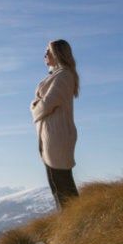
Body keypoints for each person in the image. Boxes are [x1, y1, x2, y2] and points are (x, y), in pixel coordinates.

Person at [30, 39, 80, 210]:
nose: (45, 55)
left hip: (57, 137)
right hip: (51, 136)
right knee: (57, 183)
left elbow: (46, 104)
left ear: (58, 54)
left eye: (48, 52)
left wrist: (35, 107)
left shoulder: (64, 76)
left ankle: (73, 220)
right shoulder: (57, 76)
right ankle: (67, 222)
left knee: (62, 184)